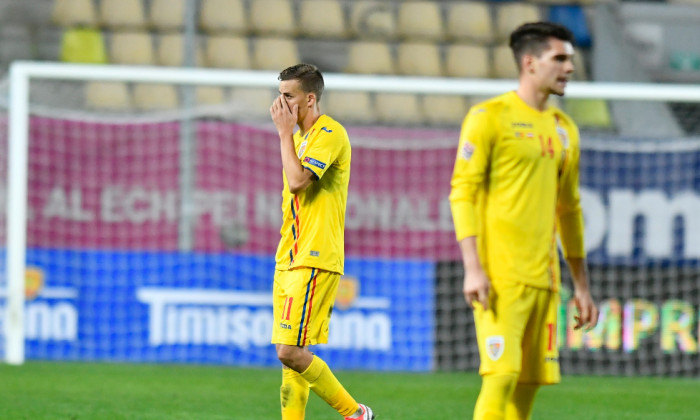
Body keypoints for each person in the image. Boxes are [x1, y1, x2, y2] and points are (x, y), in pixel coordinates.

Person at [449, 22, 599, 420]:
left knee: (529, 385)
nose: (570, 67)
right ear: (530, 63)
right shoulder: (489, 117)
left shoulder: (565, 130)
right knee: (501, 376)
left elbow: (570, 210)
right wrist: (473, 268)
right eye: (560, 58)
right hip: (500, 279)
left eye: (571, 58)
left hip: (546, 280)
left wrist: (581, 286)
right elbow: (461, 192)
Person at [269, 63, 374, 420]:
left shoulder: (329, 133)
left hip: (315, 257)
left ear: (309, 98)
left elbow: (299, 182)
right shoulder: (298, 139)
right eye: (279, 95)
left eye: (288, 97)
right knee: (291, 358)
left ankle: (357, 414)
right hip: (289, 258)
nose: (279, 104)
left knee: (289, 351)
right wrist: (289, 137)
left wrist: (284, 135)